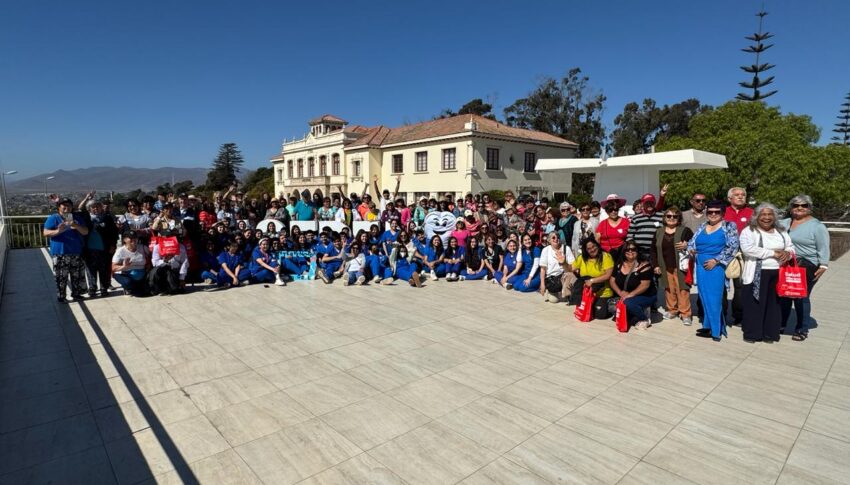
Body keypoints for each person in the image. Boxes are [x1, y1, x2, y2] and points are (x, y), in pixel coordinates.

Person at [740, 203, 794, 343]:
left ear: (774, 217)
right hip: (757, 273)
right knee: (754, 303)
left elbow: (790, 247)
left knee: (774, 304)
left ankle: (770, 333)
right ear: (757, 216)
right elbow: (748, 249)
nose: (767, 217)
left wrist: (787, 253)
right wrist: (773, 253)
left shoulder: (781, 231)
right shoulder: (749, 231)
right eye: (763, 214)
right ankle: (752, 334)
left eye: (770, 214)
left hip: (778, 273)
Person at [779, 194, 830, 341]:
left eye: (804, 205)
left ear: (809, 207)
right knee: (785, 295)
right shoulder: (785, 222)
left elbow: (823, 246)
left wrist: (824, 264)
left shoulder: (817, 226)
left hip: (807, 265)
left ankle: (802, 328)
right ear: (791, 208)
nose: (799, 208)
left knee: (801, 296)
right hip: (788, 264)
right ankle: (781, 324)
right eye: (796, 205)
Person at [688, 200, 740, 341]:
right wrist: (691, 249)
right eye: (710, 211)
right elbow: (691, 242)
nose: (713, 214)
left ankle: (716, 331)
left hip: (716, 267)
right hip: (700, 266)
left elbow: (733, 247)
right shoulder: (702, 226)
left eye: (717, 212)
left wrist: (716, 260)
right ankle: (708, 326)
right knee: (704, 297)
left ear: (723, 213)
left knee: (714, 299)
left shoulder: (729, 226)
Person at [652, 207, 694, 325]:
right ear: (664, 218)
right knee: (669, 289)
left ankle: (685, 314)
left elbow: (694, 243)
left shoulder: (685, 230)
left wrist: (687, 245)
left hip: (680, 266)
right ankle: (672, 310)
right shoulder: (659, 231)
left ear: (679, 218)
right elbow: (653, 250)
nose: (671, 218)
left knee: (683, 289)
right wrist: (655, 265)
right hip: (664, 265)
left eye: (675, 216)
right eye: (669, 216)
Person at [43, 198, 90, 302]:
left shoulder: (77, 218)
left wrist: (76, 225)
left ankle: (76, 294)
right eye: (64, 205)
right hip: (60, 252)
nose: (66, 207)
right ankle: (61, 296)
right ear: (59, 207)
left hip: (76, 251)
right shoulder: (53, 218)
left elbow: (85, 232)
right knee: (61, 276)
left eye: (69, 205)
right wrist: (58, 231)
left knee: (77, 275)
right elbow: (45, 233)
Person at [609, 241, 657, 330]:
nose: (630, 251)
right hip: (626, 294)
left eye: (633, 249)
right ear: (623, 251)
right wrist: (620, 293)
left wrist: (629, 295)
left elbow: (645, 285)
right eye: (627, 249)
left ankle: (644, 318)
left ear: (637, 251)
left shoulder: (644, 265)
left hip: (646, 295)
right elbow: (612, 281)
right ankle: (634, 312)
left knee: (628, 303)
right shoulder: (619, 264)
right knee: (611, 307)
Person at [724, 186, 753, 325]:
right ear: (730, 198)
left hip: (742, 254)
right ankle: (721, 314)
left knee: (740, 286)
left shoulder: (752, 213)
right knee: (721, 286)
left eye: (743, 194)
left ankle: (739, 315)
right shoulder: (722, 212)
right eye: (737, 195)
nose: (741, 197)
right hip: (723, 253)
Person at [81, 200, 118, 298]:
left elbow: (114, 233)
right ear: (89, 209)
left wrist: (113, 245)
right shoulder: (86, 218)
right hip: (89, 249)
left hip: (104, 249)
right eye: (93, 207)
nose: (95, 209)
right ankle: (92, 288)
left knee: (104, 270)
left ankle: (104, 288)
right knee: (90, 270)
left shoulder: (107, 218)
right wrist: (86, 198)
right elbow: (79, 209)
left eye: (97, 206)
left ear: (102, 207)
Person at [570, 238, 614, 319]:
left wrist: (592, 280)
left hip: (603, 292)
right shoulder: (582, 257)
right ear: (585, 250)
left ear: (597, 245)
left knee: (600, 315)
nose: (592, 249)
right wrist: (563, 263)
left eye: (594, 246)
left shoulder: (606, 256)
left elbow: (608, 275)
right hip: (587, 292)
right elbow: (571, 269)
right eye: (589, 248)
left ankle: (610, 304)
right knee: (586, 311)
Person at [539, 232, 576, 303]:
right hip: (552, 278)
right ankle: (554, 292)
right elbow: (543, 269)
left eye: (558, 237)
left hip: (564, 277)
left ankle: (566, 292)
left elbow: (573, 267)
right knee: (554, 300)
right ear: (549, 240)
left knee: (571, 276)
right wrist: (542, 284)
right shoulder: (545, 250)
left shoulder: (566, 248)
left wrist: (564, 263)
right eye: (553, 237)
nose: (556, 239)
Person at [111, 232, 150, 296]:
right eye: (131, 238)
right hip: (124, 273)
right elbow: (113, 268)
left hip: (141, 273)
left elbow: (151, 258)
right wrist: (124, 266)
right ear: (125, 240)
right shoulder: (120, 251)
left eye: (135, 238)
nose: (134, 240)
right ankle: (127, 288)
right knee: (128, 283)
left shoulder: (143, 247)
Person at [626, 193, 663, 260]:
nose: (649, 205)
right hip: (640, 252)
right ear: (642, 204)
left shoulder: (662, 216)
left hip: (657, 252)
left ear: (654, 203)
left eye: (651, 202)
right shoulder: (636, 218)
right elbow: (630, 236)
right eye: (647, 203)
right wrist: (632, 249)